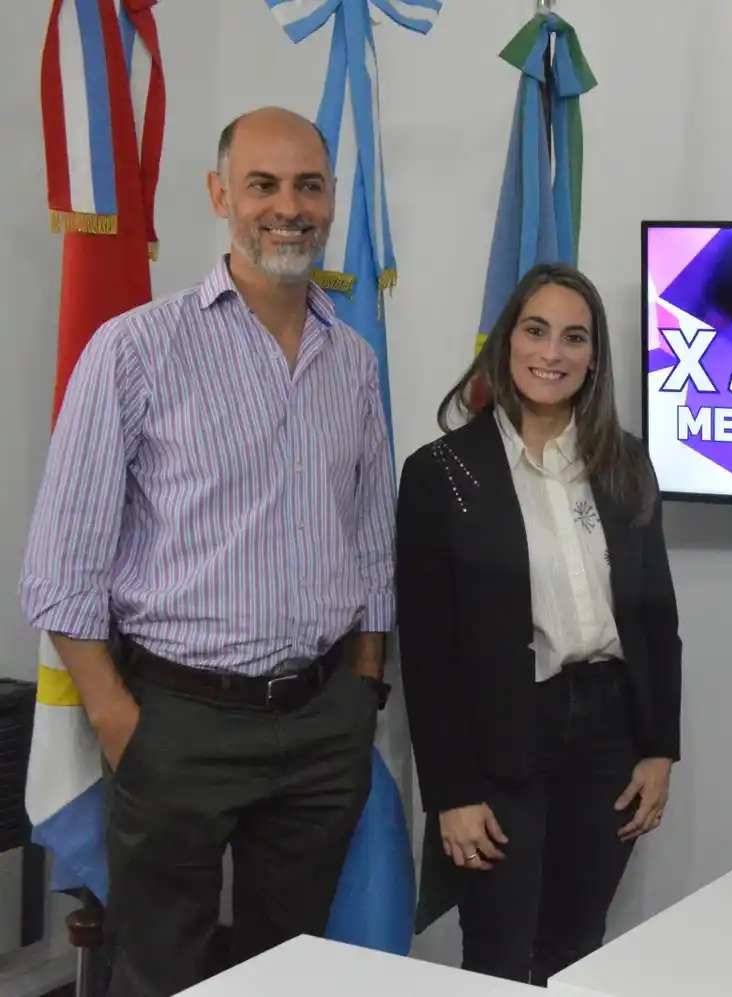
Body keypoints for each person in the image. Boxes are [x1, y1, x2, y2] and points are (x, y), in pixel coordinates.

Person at [19, 107, 395, 997]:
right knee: (160, 973)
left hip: (320, 722)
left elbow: (371, 537)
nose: (288, 207)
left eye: (308, 186)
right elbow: (60, 567)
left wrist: (363, 687)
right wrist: (118, 719)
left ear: (331, 199)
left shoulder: (352, 361)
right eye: (263, 184)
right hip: (177, 721)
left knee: (286, 973)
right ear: (220, 194)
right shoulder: (135, 349)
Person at [397, 262, 682, 985]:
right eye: (536, 330)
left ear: (594, 357)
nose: (552, 353)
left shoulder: (625, 461)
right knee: (498, 956)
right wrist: (451, 794)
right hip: (502, 737)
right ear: (507, 341)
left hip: (610, 736)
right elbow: (428, 655)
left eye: (574, 337)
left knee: (577, 946)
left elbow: (656, 616)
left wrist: (659, 748)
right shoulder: (441, 473)